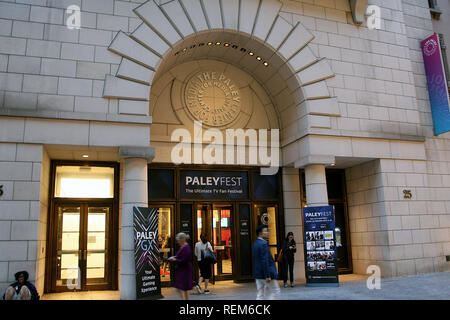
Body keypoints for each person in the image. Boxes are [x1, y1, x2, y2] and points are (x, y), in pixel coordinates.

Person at [253, 225, 280, 300]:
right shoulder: (263, 244)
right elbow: (265, 260)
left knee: (260, 294)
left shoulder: (255, 244)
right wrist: (267, 275)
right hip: (265, 274)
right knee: (276, 291)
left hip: (258, 274)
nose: (268, 233)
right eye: (266, 231)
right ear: (260, 233)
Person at [168, 233, 193, 300]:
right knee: (184, 288)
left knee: (181, 288)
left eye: (178, 240)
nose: (177, 242)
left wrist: (175, 259)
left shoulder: (186, 248)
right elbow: (181, 257)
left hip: (185, 270)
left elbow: (184, 260)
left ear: (182, 239)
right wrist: (175, 257)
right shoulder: (184, 247)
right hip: (183, 269)